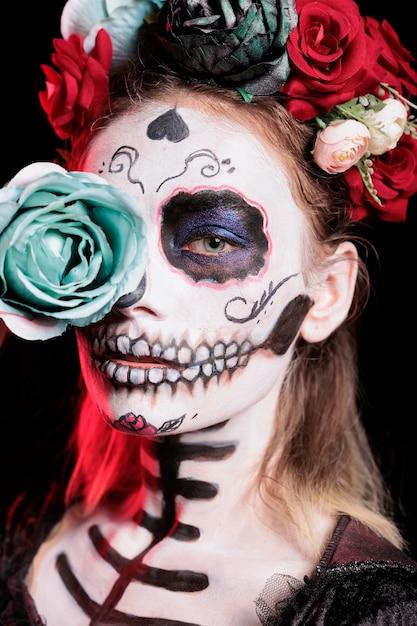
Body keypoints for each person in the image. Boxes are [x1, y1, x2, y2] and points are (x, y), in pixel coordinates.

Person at [1, 0, 417, 623]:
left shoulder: (362, 610)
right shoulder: (27, 542)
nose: (129, 292)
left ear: (326, 294)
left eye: (212, 240)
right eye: (100, 230)